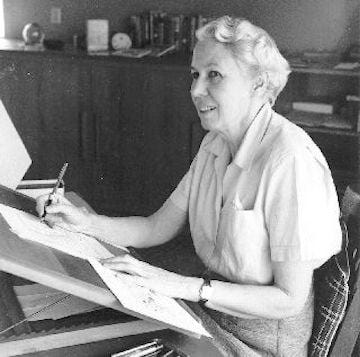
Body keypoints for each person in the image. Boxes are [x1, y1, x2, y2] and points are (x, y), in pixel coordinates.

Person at [37, 16, 342, 356]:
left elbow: (288, 299)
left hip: (262, 341)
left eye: (214, 75)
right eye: (195, 75)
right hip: (212, 311)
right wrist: (85, 223)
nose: (196, 90)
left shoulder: (291, 160)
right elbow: (156, 227)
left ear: (258, 83)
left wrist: (180, 286)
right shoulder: (215, 143)